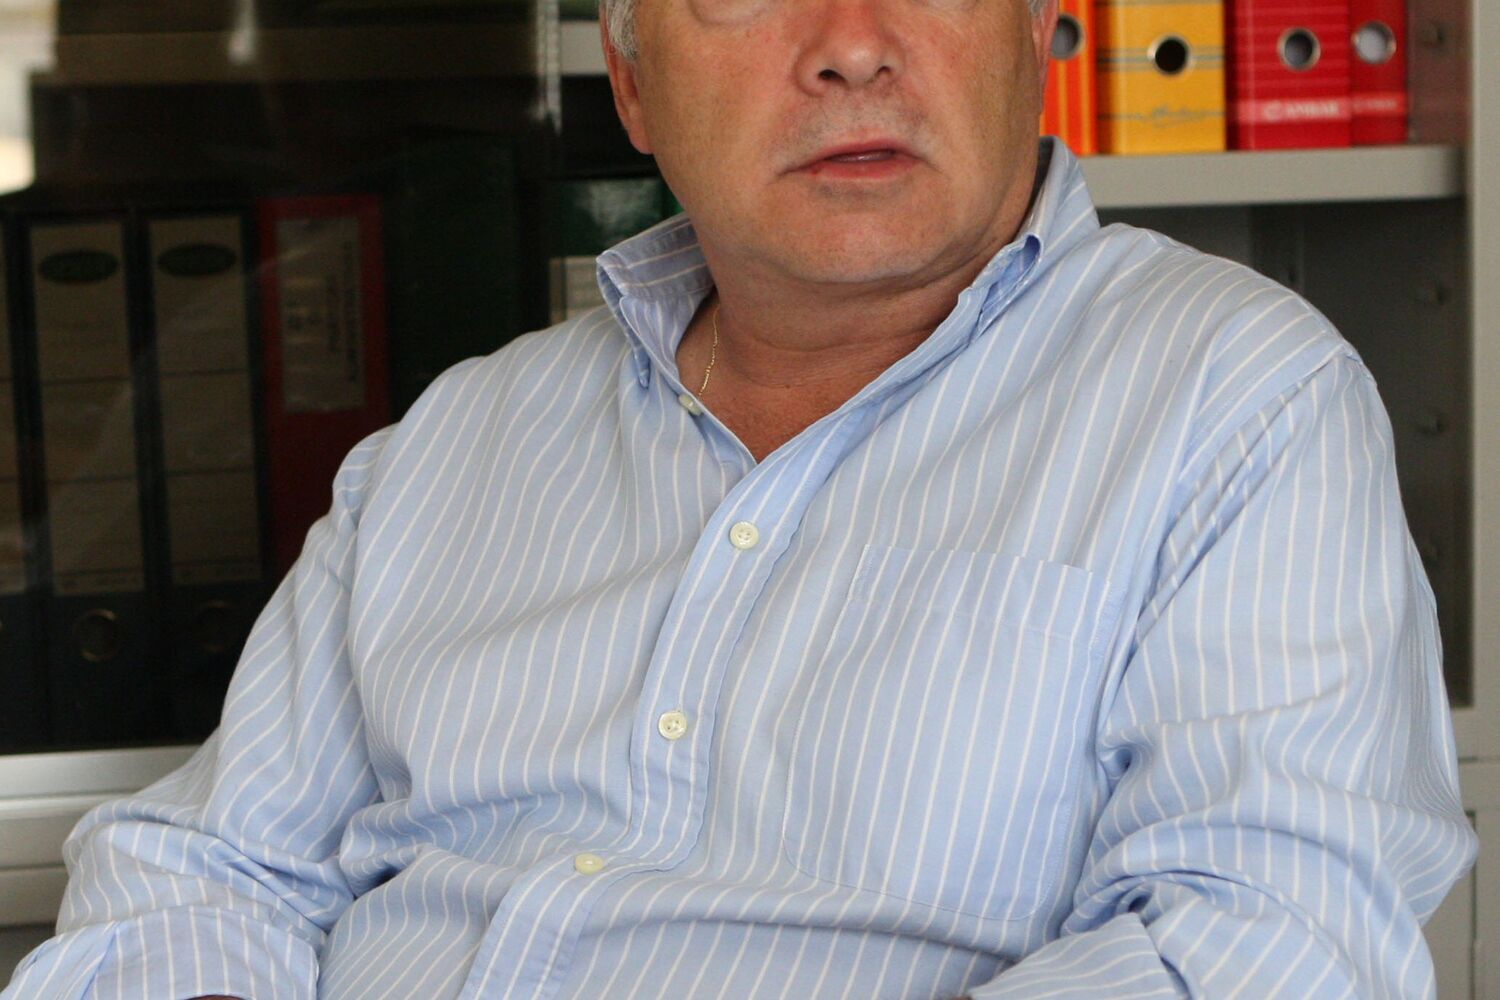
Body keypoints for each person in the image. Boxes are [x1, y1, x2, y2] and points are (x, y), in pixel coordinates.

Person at [4, 0, 1479, 990]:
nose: (851, 49)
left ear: (1041, 32)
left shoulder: (1235, 401)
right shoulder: (459, 438)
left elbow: (1260, 946)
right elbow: (200, 869)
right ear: (633, 85)